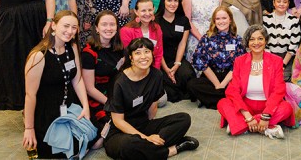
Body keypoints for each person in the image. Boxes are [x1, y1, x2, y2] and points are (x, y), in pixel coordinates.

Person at [103, 38, 199, 160]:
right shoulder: (119, 81)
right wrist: (146, 137)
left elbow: (152, 108)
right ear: (131, 58)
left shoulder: (156, 75)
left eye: (147, 51)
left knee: (184, 119)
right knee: (128, 145)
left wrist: (151, 133)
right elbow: (118, 121)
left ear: (152, 55)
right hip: (119, 132)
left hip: (143, 123)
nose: (143, 56)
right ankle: (170, 150)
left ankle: (148, 149)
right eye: (138, 53)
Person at [23, 11, 95, 158]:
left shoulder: (72, 47)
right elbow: (30, 95)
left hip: (69, 109)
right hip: (46, 115)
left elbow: (78, 79)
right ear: (54, 26)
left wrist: (85, 107)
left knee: (95, 136)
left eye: (74, 27)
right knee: (63, 151)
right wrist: (29, 128)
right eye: (66, 26)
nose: (70, 31)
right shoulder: (38, 55)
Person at [217, 25, 295, 137]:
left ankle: (240, 125)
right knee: (223, 103)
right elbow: (233, 90)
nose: (256, 42)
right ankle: (267, 128)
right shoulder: (239, 61)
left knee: (286, 108)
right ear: (247, 43)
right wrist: (247, 115)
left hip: (267, 106)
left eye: (260, 38)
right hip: (246, 106)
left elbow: (279, 90)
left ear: (266, 41)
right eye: (252, 39)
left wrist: (266, 116)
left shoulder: (276, 61)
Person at [81, 10, 125, 149]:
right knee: (97, 142)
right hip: (96, 98)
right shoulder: (89, 52)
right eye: (104, 24)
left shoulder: (119, 48)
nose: (109, 28)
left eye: (112, 24)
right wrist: (111, 103)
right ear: (97, 28)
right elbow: (89, 88)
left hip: (114, 93)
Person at [187, 6, 246, 109]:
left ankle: (212, 100)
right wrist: (217, 84)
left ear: (230, 19)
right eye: (218, 19)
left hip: (229, 77)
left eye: (224, 18)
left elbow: (238, 66)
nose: (221, 21)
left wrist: (223, 84)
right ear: (214, 21)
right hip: (211, 76)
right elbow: (201, 62)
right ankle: (228, 100)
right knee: (192, 84)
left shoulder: (237, 40)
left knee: (243, 86)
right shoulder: (206, 38)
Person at [155, 0, 195, 102]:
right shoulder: (156, 21)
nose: (173, 4)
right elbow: (157, 48)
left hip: (177, 58)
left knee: (187, 75)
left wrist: (177, 64)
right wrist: (166, 69)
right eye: (169, 0)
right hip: (161, 60)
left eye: (176, 1)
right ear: (163, 1)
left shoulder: (183, 20)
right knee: (171, 93)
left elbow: (182, 44)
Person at [183, 0, 224, 65]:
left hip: (215, 34)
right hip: (195, 35)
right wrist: (201, 38)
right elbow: (187, 20)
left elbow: (223, 19)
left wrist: (214, 36)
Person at [262, 0, 301, 81]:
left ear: (288, 4)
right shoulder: (266, 19)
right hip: (268, 57)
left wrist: (282, 64)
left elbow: (293, 45)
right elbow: (264, 42)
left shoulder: (294, 21)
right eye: (279, 1)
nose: (281, 4)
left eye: (285, 2)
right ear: (274, 3)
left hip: (286, 58)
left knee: (283, 81)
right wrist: (271, 63)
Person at [120, 0, 163, 70]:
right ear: (136, 12)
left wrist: (155, 73)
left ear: (154, 10)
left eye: (150, 10)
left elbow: (159, 54)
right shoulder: (126, 31)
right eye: (143, 10)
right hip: (134, 71)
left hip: (153, 70)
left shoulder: (157, 28)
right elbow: (129, 57)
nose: (147, 13)